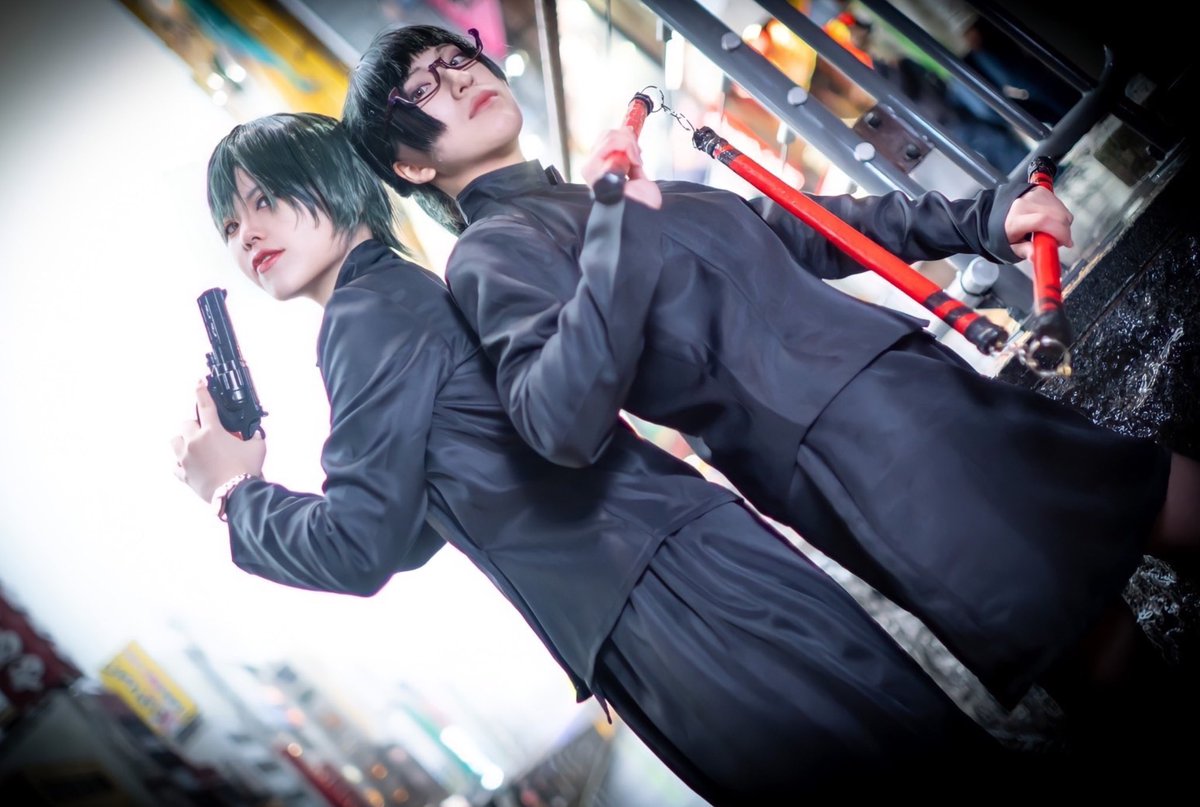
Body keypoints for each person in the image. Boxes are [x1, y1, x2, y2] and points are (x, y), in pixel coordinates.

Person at [339, 23, 1200, 762]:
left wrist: (981, 220)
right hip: (856, 451)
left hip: (905, 388)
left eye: (457, 58)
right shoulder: (491, 252)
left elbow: (803, 229)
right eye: (424, 88)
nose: (460, 78)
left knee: (1134, 538)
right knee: (1097, 624)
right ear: (408, 165)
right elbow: (557, 418)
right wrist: (616, 227)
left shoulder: (592, 193)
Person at [170, 111, 1021, 803]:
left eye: (264, 199)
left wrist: (233, 495)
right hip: (665, 575)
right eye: (230, 224)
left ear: (336, 181)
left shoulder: (364, 319)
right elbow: (414, 526)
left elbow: (360, 545)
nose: (247, 234)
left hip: (665, 594)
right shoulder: (394, 294)